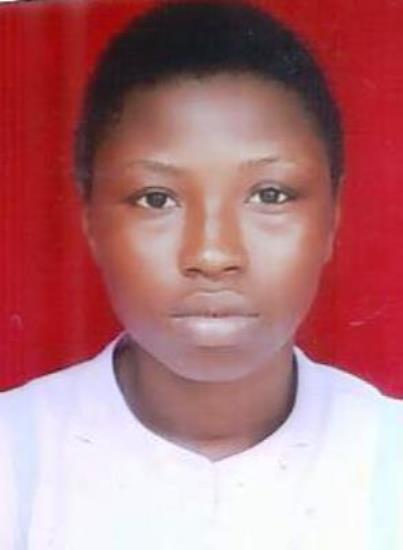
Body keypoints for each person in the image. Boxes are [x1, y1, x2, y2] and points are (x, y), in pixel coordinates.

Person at [0, 1, 402, 548]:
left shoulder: (389, 459)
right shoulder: (15, 461)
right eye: (157, 198)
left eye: (270, 194)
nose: (213, 254)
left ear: (332, 217)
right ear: (90, 220)